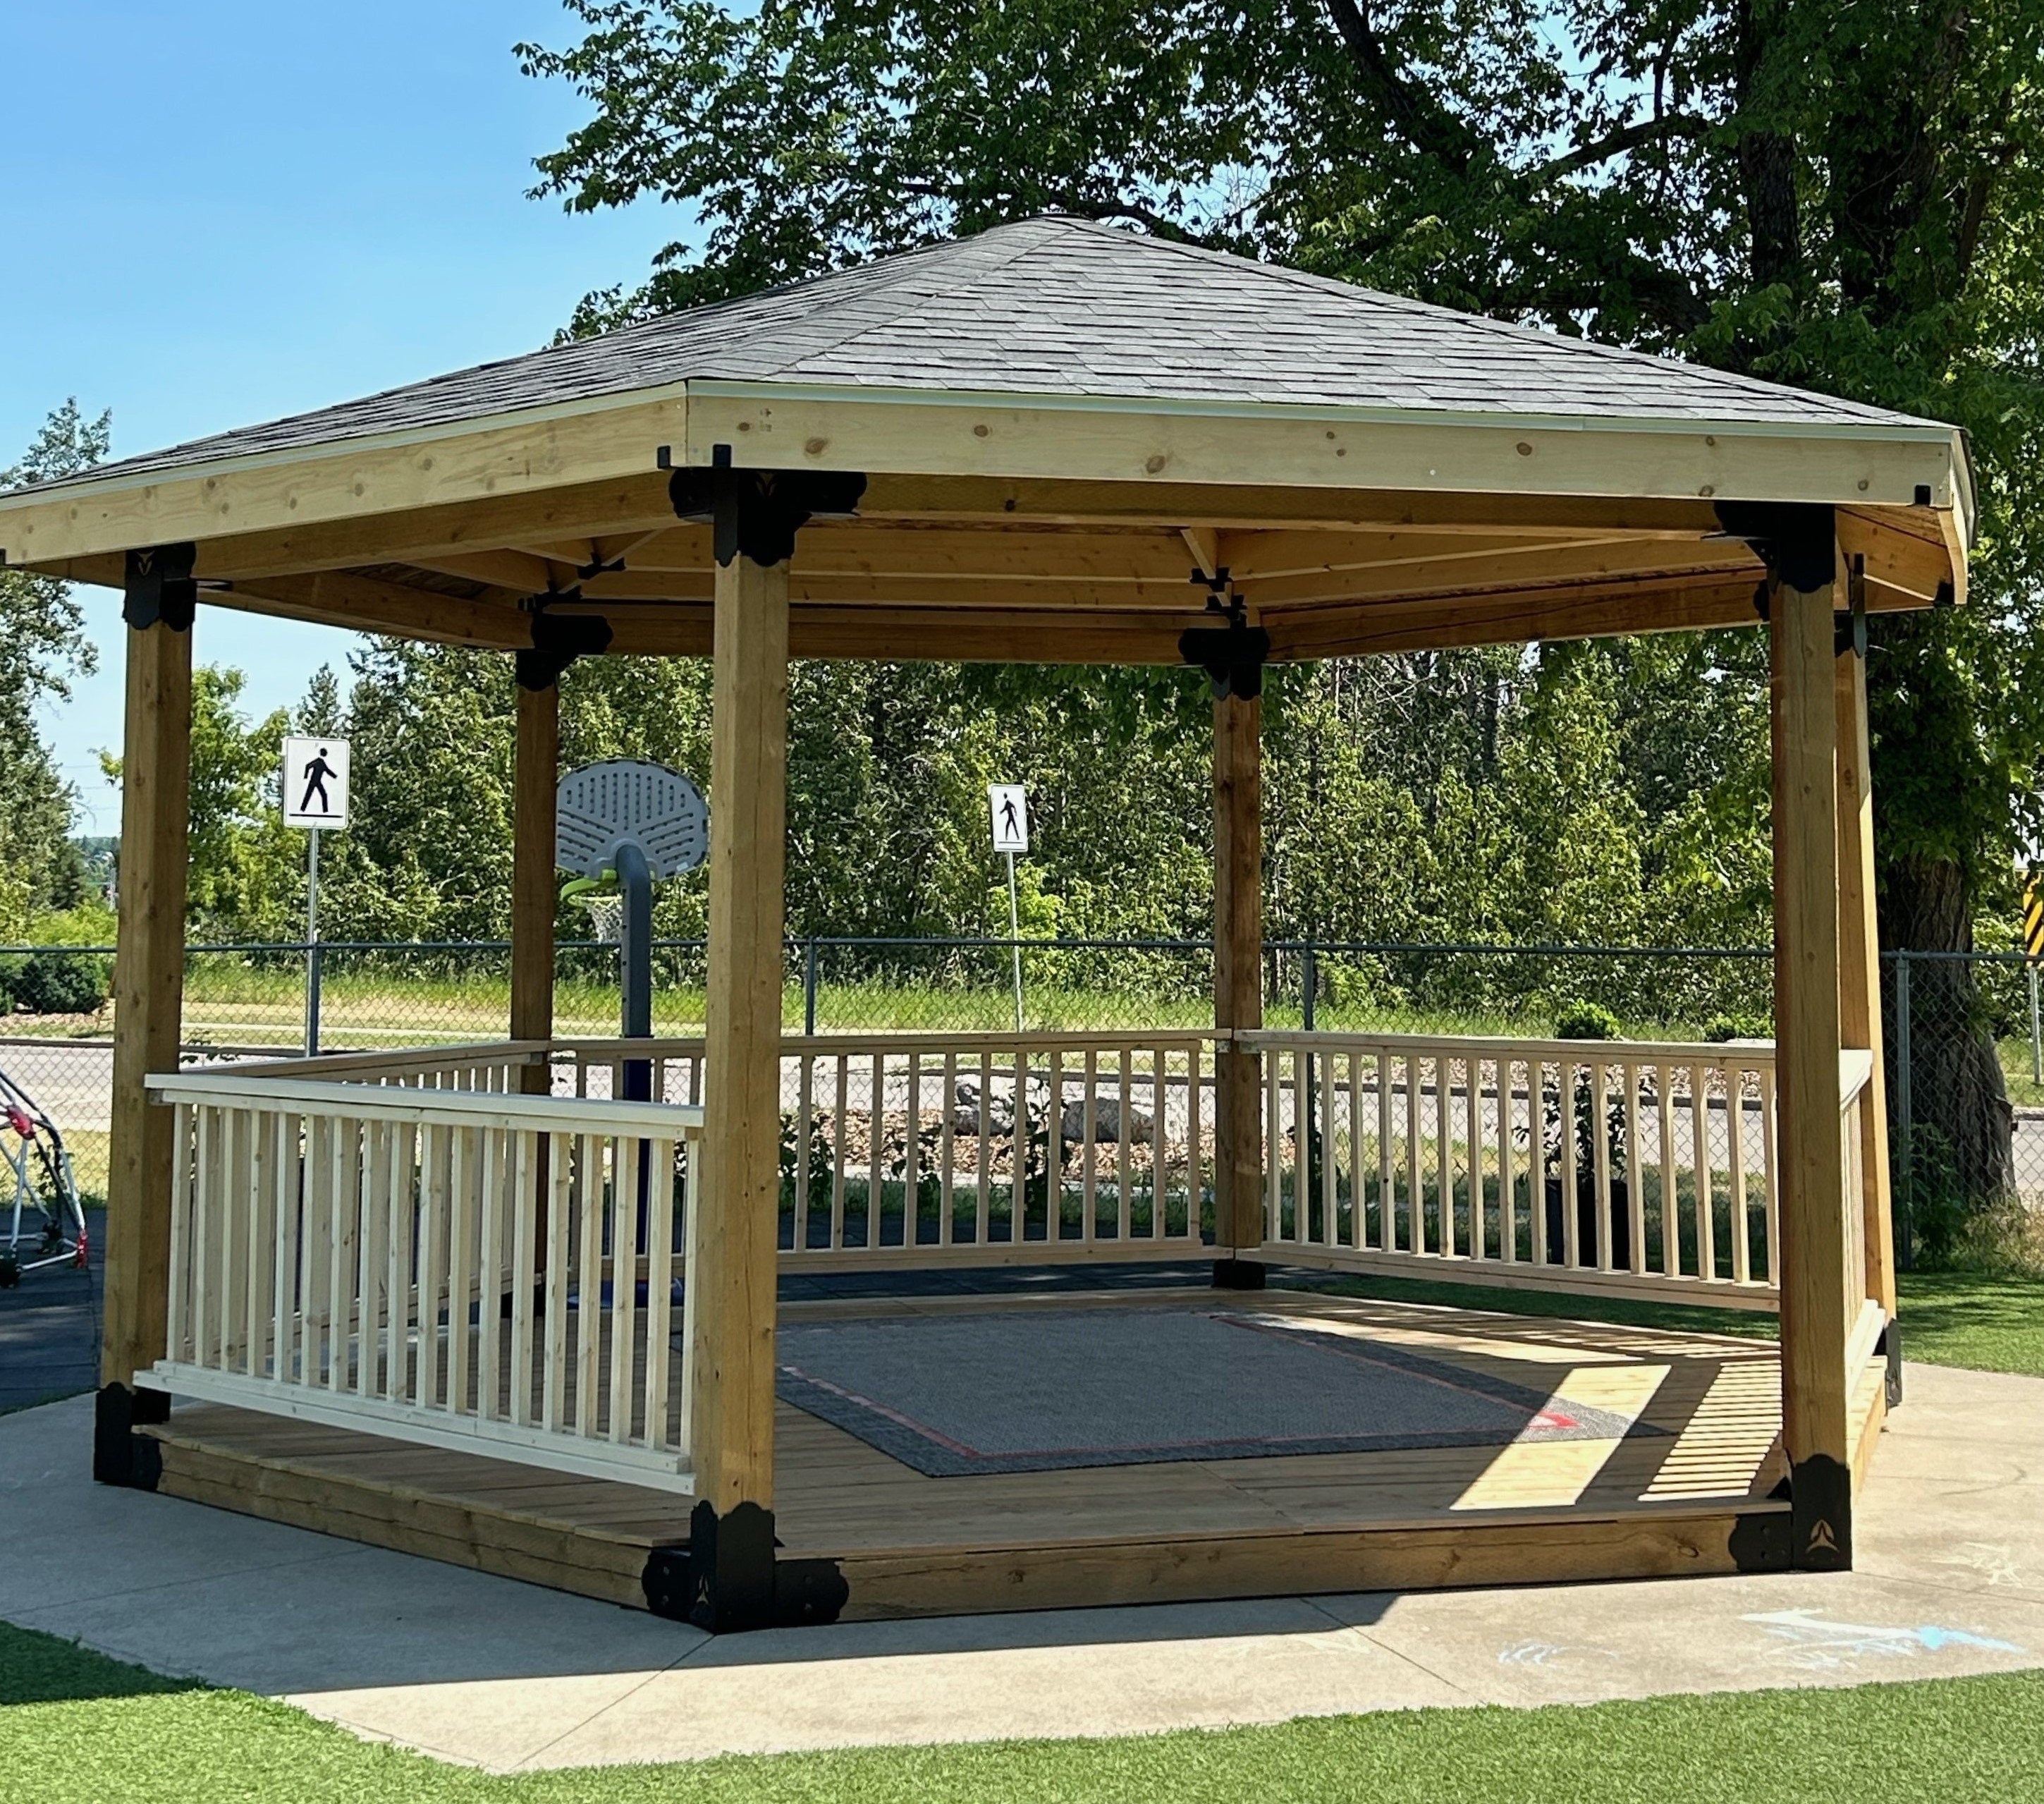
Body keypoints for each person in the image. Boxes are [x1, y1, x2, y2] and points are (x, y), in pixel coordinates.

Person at [299, 748, 337, 815]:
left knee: (323, 795)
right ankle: (302, 810)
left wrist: (335, 776)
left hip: (318, 782)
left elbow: (327, 770)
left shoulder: (322, 763)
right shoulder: (318, 761)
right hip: (313, 781)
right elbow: (308, 766)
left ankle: (325, 811)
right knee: (308, 796)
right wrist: (306, 776)